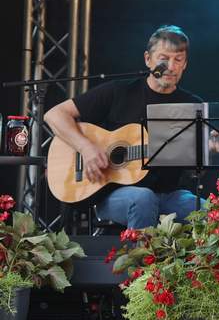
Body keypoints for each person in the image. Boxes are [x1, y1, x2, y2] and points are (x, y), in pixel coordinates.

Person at [43, 25, 203, 229]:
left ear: (185, 64)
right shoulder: (119, 92)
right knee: (144, 198)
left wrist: (206, 150)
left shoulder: (192, 105)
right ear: (148, 59)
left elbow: (196, 169)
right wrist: (86, 147)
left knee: (211, 211)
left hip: (169, 195)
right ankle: (141, 252)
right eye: (163, 59)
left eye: (178, 60)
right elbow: (54, 115)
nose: (170, 66)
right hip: (112, 194)